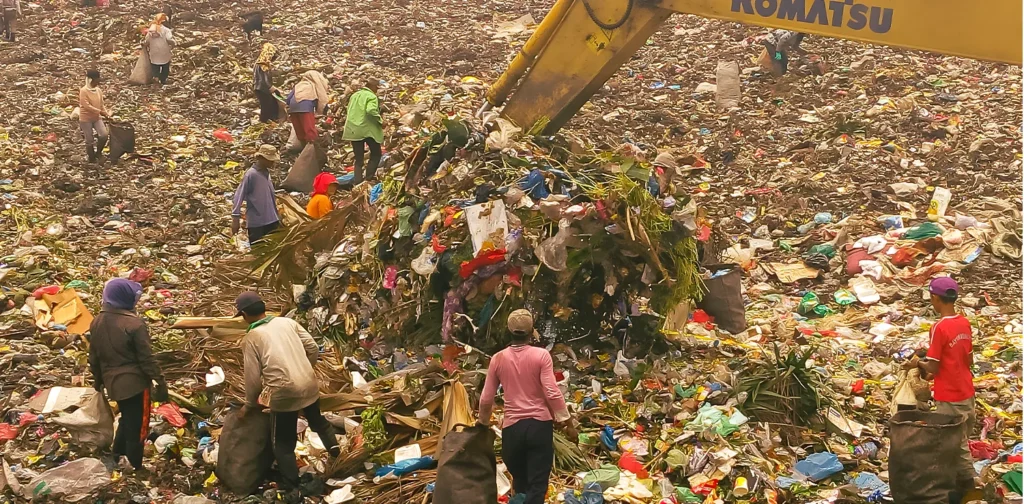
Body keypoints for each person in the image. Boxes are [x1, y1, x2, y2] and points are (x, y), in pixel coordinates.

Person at [235, 292, 340, 503]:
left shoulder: (252, 338)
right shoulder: (287, 322)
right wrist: (304, 369)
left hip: (284, 392)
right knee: (318, 421)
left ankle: (293, 487)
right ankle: (338, 458)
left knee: (282, 443)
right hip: (309, 384)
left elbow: (253, 379)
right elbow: (311, 347)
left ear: (244, 314)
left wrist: (248, 405)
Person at [478, 310, 575, 504]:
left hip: (512, 430)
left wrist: (482, 424)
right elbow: (552, 391)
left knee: (521, 484)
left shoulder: (498, 359)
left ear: (509, 330)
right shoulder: (541, 355)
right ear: (532, 331)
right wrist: (567, 421)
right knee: (537, 487)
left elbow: (486, 398)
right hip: (539, 427)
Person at [88, 278, 169, 471]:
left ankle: (117, 457)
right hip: (135, 385)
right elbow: (147, 359)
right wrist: (160, 382)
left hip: (113, 385)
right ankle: (134, 466)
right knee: (139, 428)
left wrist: (98, 381)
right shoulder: (134, 324)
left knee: (126, 419)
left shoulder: (97, 321)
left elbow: (94, 356)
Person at [904, 277, 975, 493]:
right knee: (964, 438)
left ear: (935, 298)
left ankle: (971, 489)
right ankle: (961, 484)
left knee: (956, 444)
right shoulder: (964, 322)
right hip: (967, 392)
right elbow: (968, 360)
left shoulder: (939, 327)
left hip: (950, 395)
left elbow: (933, 367)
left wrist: (917, 363)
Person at [232, 144, 281, 244]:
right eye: (269, 160)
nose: (272, 162)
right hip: (258, 224)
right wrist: (235, 218)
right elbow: (239, 195)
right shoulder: (251, 174)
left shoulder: (266, 173)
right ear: (260, 158)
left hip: (272, 220)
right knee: (260, 253)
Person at [342, 79, 384, 184]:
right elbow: (371, 110)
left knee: (358, 159)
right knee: (376, 154)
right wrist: (381, 121)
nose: (377, 91)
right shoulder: (371, 96)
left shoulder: (355, 95)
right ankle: (368, 179)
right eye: (377, 88)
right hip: (367, 130)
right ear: (373, 87)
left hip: (353, 129)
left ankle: (357, 182)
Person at [286, 70, 331, 146]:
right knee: (309, 130)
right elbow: (322, 99)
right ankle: (312, 149)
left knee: (300, 131)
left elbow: (288, 99)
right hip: (305, 108)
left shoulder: (299, 85)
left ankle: (304, 149)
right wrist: (323, 111)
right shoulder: (314, 86)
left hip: (293, 109)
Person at [79, 68, 110, 163]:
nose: (97, 83)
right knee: (89, 140)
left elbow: (101, 105)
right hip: (86, 119)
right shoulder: (83, 91)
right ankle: (91, 157)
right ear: (90, 80)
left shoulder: (98, 91)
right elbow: (86, 106)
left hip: (96, 118)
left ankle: (99, 153)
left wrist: (106, 114)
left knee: (104, 135)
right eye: (96, 80)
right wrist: (100, 111)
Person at [253, 42, 281, 123]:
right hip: (262, 88)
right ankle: (264, 122)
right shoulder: (262, 64)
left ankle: (270, 121)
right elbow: (263, 79)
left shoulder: (260, 62)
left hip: (260, 88)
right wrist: (272, 88)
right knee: (267, 107)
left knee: (270, 105)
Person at [143, 13, 174, 85]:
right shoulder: (166, 30)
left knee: (155, 65)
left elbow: (147, 41)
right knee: (165, 66)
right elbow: (169, 39)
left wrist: (144, 45)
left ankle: (156, 77)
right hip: (164, 51)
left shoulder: (151, 31)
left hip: (154, 52)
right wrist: (173, 44)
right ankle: (163, 80)